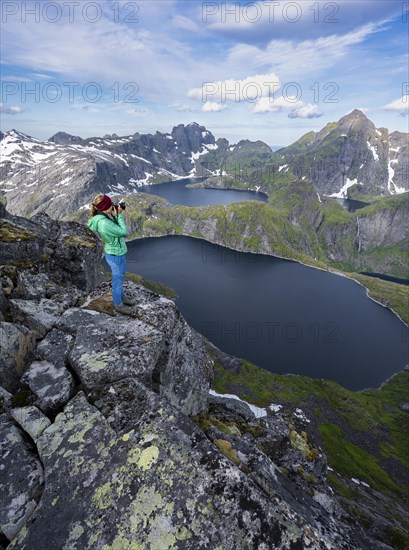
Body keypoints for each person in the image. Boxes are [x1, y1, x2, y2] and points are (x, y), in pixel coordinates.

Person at [87, 194, 133, 315]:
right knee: (117, 280)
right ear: (105, 207)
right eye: (110, 204)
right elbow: (123, 232)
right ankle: (118, 305)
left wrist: (115, 214)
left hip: (115, 252)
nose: (113, 205)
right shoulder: (104, 223)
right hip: (115, 254)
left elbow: (115, 229)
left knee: (120, 277)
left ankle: (122, 297)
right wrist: (119, 216)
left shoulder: (102, 217)